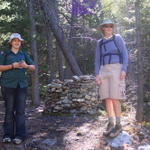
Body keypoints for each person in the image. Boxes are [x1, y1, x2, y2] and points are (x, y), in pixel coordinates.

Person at [95, 19, 128, 137]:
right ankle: (111, 122)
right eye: (106, 26)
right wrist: (97, 74)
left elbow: (124, 54)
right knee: (107, 98)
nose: (109, 28)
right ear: (103, 28)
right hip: (104, 70)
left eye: (111, 26)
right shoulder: (99, 42)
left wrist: (124, 69)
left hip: (116, 68)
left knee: (115, 98)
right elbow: (97, 59)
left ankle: (119, 125)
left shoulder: (117, 38)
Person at [0, 33, 35, 144]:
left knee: (20, 111)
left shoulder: (23, 54)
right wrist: (12, 66)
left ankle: (20, 135)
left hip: (22, 86)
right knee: (9, 110)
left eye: (18, 41)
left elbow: (33, 67)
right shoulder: (4, 54)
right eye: (14, 40)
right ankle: (7, 135)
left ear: (20, 42)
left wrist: (26, 66)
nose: (17, 42)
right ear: (11, 42)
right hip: (8, 85)